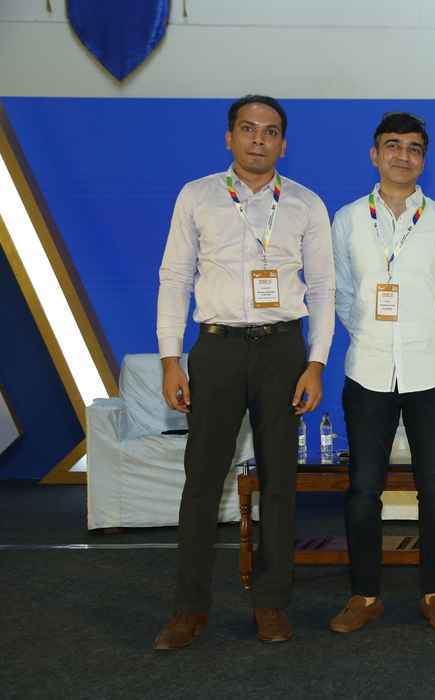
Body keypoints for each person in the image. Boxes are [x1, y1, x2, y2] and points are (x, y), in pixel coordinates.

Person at [153, 95, 335, 649]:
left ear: (283, 143)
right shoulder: (197, 196)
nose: (259, 139)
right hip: (217, 350)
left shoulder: (305, 203)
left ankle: (272, 604)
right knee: (202, 483)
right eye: (249, 129)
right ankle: (189, 610)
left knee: (280, 483)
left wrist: (316, 362)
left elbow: (324, 288)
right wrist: (170, 359)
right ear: (229, 137)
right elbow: (174, 277)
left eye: (270, 131)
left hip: (283, 351)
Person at [327, 113, 435, 633]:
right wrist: (375, 335)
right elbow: (342, 293)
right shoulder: (348, 219)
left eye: (414, 148)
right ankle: (364, 595)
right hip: (368, 370)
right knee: (363, 488)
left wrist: (428, 336)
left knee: (434, 486)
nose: (403, 156)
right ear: (374, 155)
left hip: (432, 372)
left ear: (424, 160)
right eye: (392, 146)